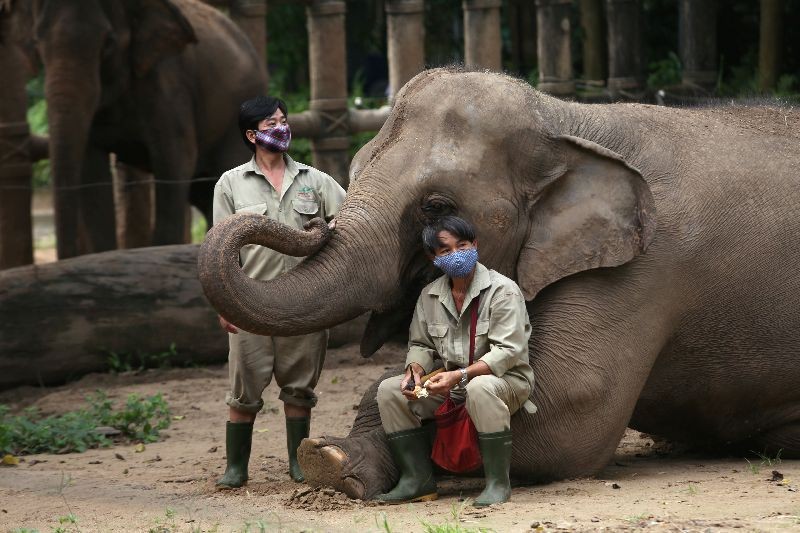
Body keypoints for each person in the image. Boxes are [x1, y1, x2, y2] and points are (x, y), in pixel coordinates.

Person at [212, 95, 345, 488]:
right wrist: (225, 302)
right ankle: (236, 468)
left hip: (305, 302)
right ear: (252, 135)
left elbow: (348, 217)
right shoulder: (231, 183)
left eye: (283, 121)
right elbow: (221, 248)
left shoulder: (314, 180)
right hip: (249, 301)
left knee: (299, 388)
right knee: (244, 389)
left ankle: (297, 462)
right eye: (271, 124)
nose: (281, 128)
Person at [375, 215, 536, 506]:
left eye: (462, 245)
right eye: (446, 251)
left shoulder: (503, 290)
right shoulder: (429, 296)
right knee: (390, 391)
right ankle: (417, 480)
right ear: (433, 258)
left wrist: (460, 375)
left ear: (475, 244)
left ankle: (498, 484)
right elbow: (420, 344)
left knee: (481, 388)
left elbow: (508, 351)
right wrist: (415, 370)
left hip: (504, 382)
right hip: (453, 383)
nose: (457, 255)